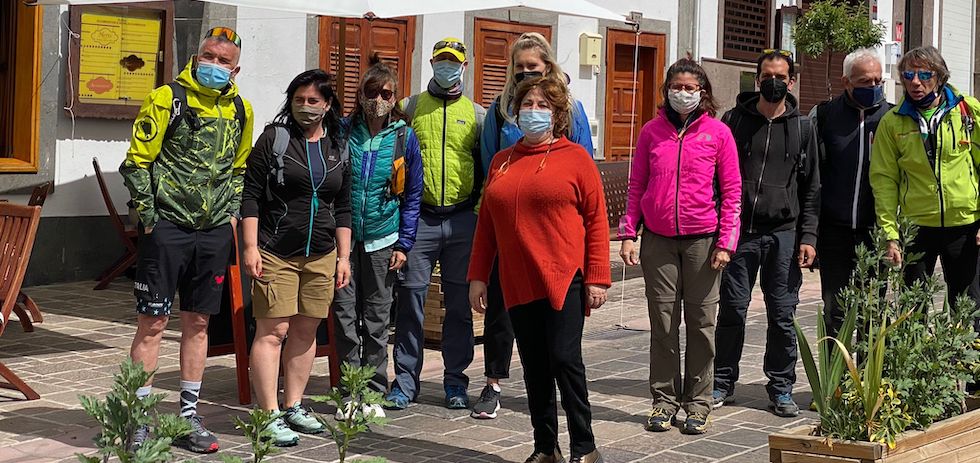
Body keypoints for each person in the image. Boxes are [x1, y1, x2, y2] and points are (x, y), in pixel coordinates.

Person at [120, 27, 253, 453]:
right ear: (197, 57)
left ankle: (188, 417)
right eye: (207, 56)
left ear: (236, 69)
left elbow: (239, 167)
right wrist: (151, 218)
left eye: (222, 60)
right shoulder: (167, 98)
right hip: (168, 230)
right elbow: (136, 162)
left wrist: (230, 212)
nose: (213, 65)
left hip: (213, 232)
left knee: (197, 324)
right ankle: (137, 420)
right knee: (153, 322)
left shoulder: (241, 110)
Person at [469, 76, 609, 463]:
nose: (533, 111)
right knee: (534, 367)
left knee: (564, 360)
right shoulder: (502, 161)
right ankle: (546, 448)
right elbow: (487, 227)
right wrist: (478, 275)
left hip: (564, 277)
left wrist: (598, 276)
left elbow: (597, 220)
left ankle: (585, 446)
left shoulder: (575, 158)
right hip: (517, 280)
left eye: (542, 105)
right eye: (527, 104)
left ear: (558, 113)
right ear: (515, 111)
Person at [618, 59, 742, 434]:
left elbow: (733, 192)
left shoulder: (718, 133)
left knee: (702, 325)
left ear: (702, 92)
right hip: (658, 242)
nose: (682, 93)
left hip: (704, 243)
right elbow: (636, 185)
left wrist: (726, 243)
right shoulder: (650, 133)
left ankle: (699, 402)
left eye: (690, 87)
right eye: (677, 86)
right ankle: (664, 400)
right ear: (666, 90)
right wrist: (628, 232)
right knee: (663, 324)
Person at [240, 69, 351, 447]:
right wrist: (251, 247)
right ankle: (268, 412)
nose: (305, 107)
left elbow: (345, 205)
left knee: (305, 332)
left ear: (328, 105)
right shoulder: (275, 138)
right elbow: (251, 194)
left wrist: (344, 257)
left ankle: (294, 405)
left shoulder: (339, 144)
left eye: (313, 101)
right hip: (276, 252)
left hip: (322, 254)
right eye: (299, 100)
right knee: (273, 332)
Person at [712, 49, 820, 418]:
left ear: (791, 82)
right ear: (757, 79)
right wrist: (719, 231)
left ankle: (781, 388)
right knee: (732, 311)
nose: (773, 82)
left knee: (782, 314)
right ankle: (722, 383)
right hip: (740, 234)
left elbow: (811, 188)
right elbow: (718, 179)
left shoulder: (804, 127)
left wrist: (808, 237)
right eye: (767, 75)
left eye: (781, 76)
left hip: (784, 234)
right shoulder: (734, 121)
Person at [391, 37, 485, 410]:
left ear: (465, 66)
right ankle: (404, 383)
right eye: (441, 61)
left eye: (454, 62)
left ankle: (455, 382)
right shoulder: (408, 107)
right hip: (420, 220)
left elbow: (485, 168)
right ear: (431, 63)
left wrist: (477, 213)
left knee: (459, 306)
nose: (447, 67)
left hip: (462, 220)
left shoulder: (478, 115)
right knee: (411, 301)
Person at [333, 55, 424, 418]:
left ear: (395, 97)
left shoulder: (404, 136)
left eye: (386, 92)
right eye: (372, 91)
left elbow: (414, 194)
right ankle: (348, 388)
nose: (379, 98)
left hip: (383, 239)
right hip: (343, 239)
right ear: (361, 93)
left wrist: (405, 243)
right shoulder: (342, 129)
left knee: (376, 317)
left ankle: (372, 389)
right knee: (342, 313)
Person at [870, 46, 980, 316]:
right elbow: (884, 180)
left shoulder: (968, 110)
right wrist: (890, 234)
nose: (915, 82)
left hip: (964, 226)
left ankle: (965, 360)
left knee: (968, 311)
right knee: (911, 312)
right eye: (908, 75)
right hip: (917, 227)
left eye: (924, 75)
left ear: (940, 76)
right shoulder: (892, 122)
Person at [811, 48, 892, 337]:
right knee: (836, 311)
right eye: (864, 82)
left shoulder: (891, 118)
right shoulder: (823, 116)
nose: (873, 87)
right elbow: (812, 175)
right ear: (846, 81)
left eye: (877, 81)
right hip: (835, 233)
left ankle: (867, 381)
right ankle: (836, 381)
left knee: (871, 312)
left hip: (875, 232)